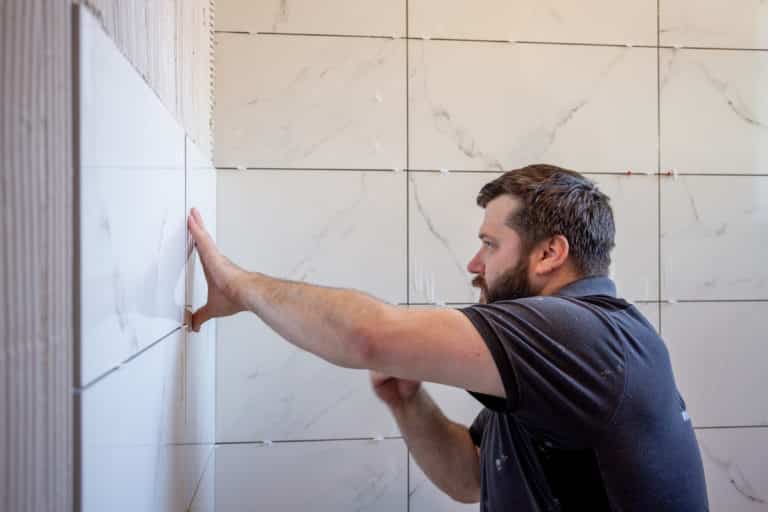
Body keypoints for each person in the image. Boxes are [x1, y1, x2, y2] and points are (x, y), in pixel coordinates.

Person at [187, 164, 708, 511]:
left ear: (550, 254)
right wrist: (410, 404)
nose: (474, 264)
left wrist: (240, 286)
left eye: (490, 244)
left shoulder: (580, 334)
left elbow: (368, 337)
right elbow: (471, 477)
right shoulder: (564, 351)